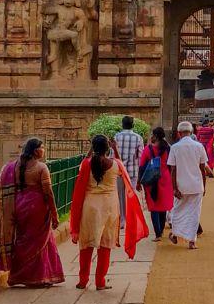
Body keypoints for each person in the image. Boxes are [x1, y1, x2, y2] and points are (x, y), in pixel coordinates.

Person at [70, 135, 148, 289]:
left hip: (89, 207)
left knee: (86, 246)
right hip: (109, 208)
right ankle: (100, 282)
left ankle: (83, 280)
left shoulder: (86, 164)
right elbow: (122, 168)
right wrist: (116, 149)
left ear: (93, 148)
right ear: (108, 149)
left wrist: (91, 149)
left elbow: (83, 164)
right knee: (105, 246)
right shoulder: (115, 164)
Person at [0, 138, 64, 287]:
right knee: (40, 242)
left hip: (19, 206)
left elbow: (1, 182)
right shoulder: (41, 167)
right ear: (36, 151)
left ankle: (19, 276)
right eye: (42, 147)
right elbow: (48, 193)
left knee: (23, 240)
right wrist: (55, 214)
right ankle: (39, 277)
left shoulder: (13, 167)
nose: (43, 150)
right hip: (37, 207)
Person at [167, 121, 208, 249]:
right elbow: (203, 169)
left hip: (181, 186)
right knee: (194, 214)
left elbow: (173, 170)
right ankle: (192, 241)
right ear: (192, 132)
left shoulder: (175, 147)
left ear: (179, 133)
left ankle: (175, 234)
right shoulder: (199, 146)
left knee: (178, 212)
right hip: (196, 185)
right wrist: (204, 186)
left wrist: (174, 188)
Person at [138, 127, 173, 241]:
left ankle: (158, 234)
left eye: (152, 134)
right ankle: (161, 230)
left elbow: (142, 166)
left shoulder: (148, 149)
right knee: (162, 205)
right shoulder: (167, 148)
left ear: (155, 136)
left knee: (153, 206)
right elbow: (171, 164)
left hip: (151, 179)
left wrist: (139, 181)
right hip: (165, 177)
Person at [114, 116, 143, 228]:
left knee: (120, 196)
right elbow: (140, 158)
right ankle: (131, 219)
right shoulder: (138, 138)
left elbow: (112, 156)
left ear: (122, 124)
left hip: (119, 171)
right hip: (133, 171)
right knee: (131, 195)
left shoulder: (116, 137)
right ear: (133, 125)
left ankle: (122, 220)